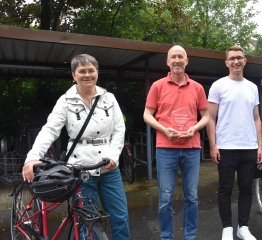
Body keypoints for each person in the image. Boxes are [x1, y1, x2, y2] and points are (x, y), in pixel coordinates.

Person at [22, 54, 130, 239]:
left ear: (97, 72)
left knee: (120, 216)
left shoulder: (109, 98)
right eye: (82, 71)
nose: (87, 75)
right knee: (87, 221)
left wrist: (114, 156)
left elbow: (119, 131)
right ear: (74, 75)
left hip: (108, 169)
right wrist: (33, 156)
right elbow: (50, 130)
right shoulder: (65, 101)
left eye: (91, 70)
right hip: (81, 170)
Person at [143, 45, 209, 240]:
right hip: (166, 148)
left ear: (186, 61)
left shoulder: (197, 87)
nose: (177, 60)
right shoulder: (157, 86)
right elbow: (147, 115)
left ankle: (190, 236)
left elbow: (206, 116)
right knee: (165, 198)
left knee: (193, 197)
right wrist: (164, 130)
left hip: (191, 148)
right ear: (168, 62)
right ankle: (166, 236)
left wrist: (195, 128)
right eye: (174, 57)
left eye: (181, 57)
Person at [207, 46, 262, 240]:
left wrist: (259, 145)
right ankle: (227, 228)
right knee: (225, 188)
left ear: (245, 60)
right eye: (232, 59)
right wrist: (213, 146)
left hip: (248, 147)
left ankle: (243, 227)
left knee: (246, 188)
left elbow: (256, 118)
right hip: (225, 147)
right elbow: (210, 118)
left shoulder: (252, 87)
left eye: (239, 58)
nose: (236, 62)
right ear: (226, 62)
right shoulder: (218, 86)